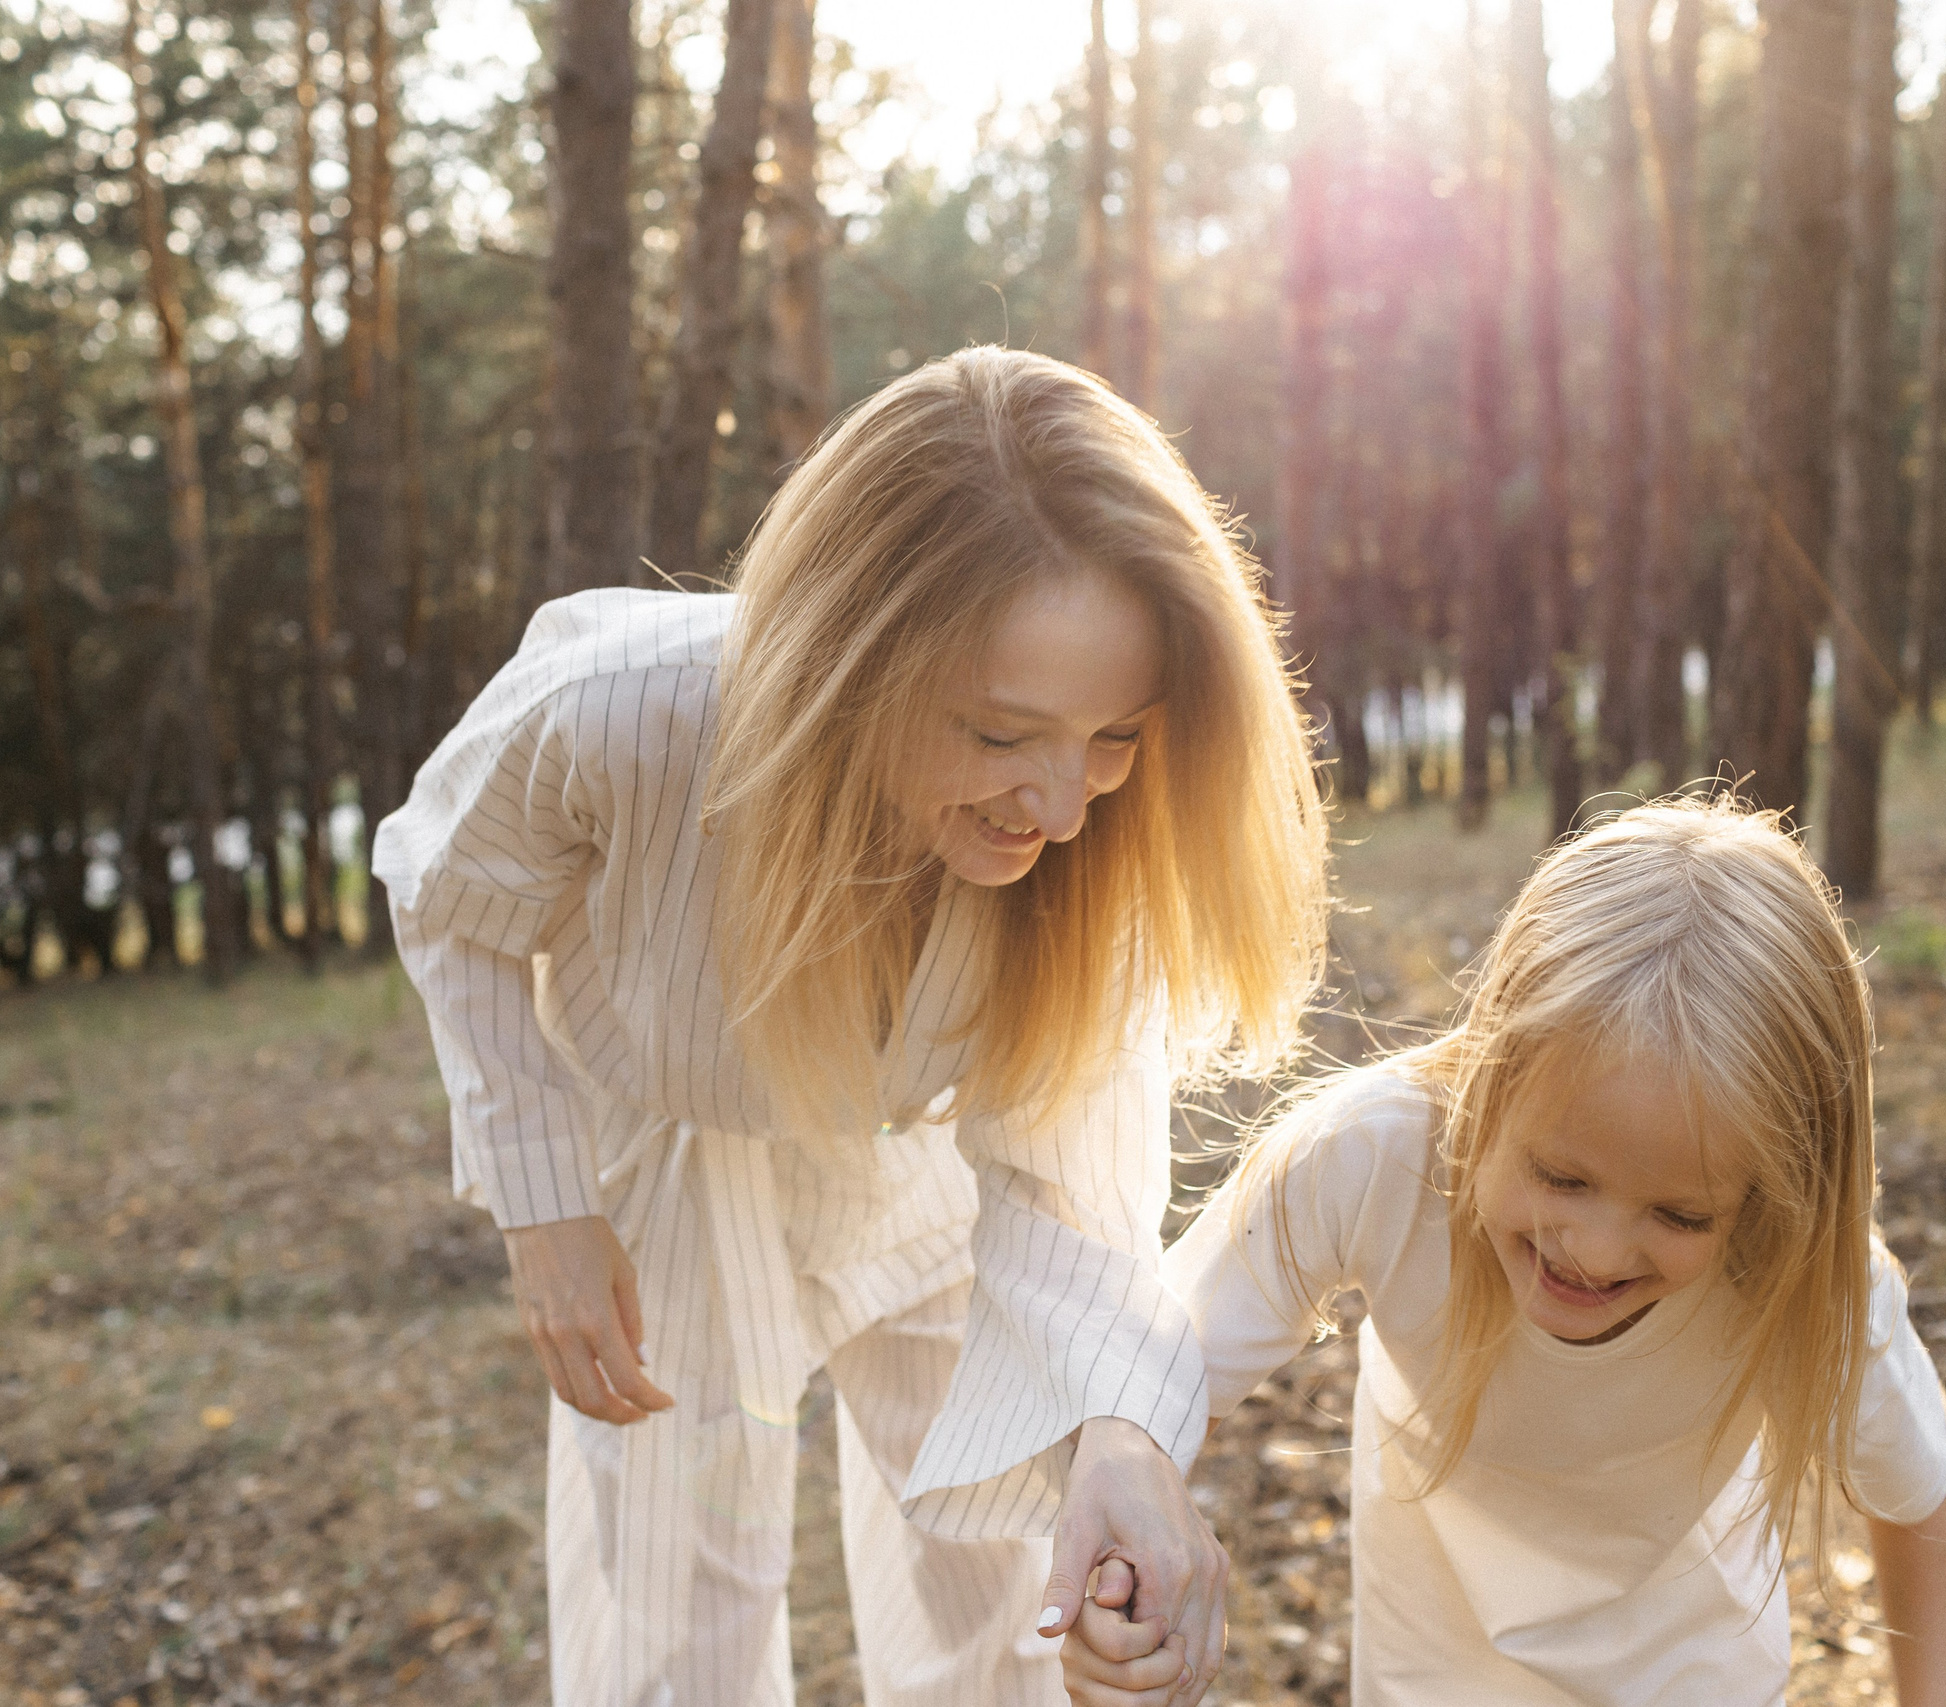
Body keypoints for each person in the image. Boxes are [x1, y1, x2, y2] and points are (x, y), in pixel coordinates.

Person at [371, 346, 1330, 1705]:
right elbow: (449, 892)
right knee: (670, 1585)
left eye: (1115, 736)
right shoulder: (618, 714)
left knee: (992, 1571)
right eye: (1002, 732)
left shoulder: (1090, 859)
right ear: (848, 656)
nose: (1060, 804)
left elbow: (1068, 1176)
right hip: (674, 1146)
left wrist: (1124, 1441)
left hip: (925, 1149)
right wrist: (545, 1204)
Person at [1062, 797, 1946, 1705]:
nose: (1598, 1249)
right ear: (1491, 1075)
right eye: (1560, 1177)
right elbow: (1154, 1379)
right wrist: (1138, 1539)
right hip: (1432, 1673)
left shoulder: (1796, 1263)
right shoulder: (1377, 1157)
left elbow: (1918, 1487)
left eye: (1682, 1216)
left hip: (1694, 1675)